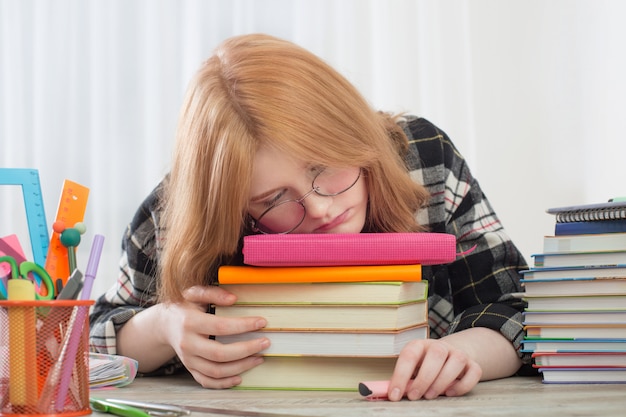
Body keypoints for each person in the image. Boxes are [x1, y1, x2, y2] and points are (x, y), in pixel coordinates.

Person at [89, 33, 530, 401]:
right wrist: (163, 325)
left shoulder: (424, 156)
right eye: (274, 199)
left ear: (354, 133)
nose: (320, 209)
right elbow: (81, 347)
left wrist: (461, 352)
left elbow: (518, 308)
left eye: (324, 166)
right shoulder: (176, 213)